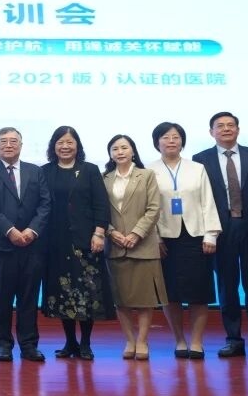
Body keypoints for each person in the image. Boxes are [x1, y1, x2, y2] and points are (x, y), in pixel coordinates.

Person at [191, 112, 248, 360]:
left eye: (230, 125)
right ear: (211, 132)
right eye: (220, 126)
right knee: (227, 287)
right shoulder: (201, 159)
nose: (226, 129)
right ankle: (233, 340)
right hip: (221, 230)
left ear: (238, 130)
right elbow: (200, 200)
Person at [0, 127, 51, 363]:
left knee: (29, 297)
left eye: (13, 141)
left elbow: (45, 204)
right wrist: (10, 231)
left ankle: (29, 345)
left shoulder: (35, 171)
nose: (8, 145)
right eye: (3, 141)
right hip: (0, 246)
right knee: (2, 298)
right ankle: (3, 345)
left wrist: (31, 230)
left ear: (21, 145)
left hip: (32, 245)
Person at [39, 126, 111, 361]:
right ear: (53, 146)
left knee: (87, 292)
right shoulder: (44, 172)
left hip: (86, 241)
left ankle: (86, 343)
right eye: (60, 142)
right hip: (55, 242)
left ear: (77, 145)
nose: (65, 146)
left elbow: (101, 204)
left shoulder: (89, 170)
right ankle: (70, 342)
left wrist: (99, 233)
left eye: (70, 142)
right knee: (63, 293)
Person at [151, 122, 221, 360]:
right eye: (165, 137)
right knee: (170, 293)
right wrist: (155, 237)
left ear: (182, 141)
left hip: (196, 236)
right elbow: (148, 208)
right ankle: (179, 340)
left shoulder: (197, 168)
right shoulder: (148, 170)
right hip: (164, 239)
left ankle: (197, 342)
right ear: (157, 142)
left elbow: (207, 201)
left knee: (199, 292)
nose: (171, 141)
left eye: (176, 137)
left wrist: (211, 234)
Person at [102, 134, 164, 360]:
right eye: (115, 148)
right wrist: (112, 232)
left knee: (145, 299)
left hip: (143, 245)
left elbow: (154, 208)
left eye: (124, 147)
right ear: (110, 154)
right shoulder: (104, 178)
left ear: (133, 151)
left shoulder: (146, 175)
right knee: (121, 299)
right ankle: (129, 339)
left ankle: (142, 341)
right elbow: (98, 210)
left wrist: (137, 233)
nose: (120, 152)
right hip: (115, 245)